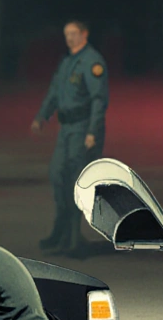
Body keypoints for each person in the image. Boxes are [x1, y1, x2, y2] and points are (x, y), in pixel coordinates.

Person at [31, 19, 109, 254]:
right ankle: (61, 230)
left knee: (76, 181)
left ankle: (74, 237)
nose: (70, 38)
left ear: (85, 34)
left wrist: (92, 132)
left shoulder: (92, 62)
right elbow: (54, 93)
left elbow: (99, 99)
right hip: (66, 129)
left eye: (74, 33)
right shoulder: (66, 62)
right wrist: (41, 117)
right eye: (67, 34)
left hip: (83, 127)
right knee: (58, 175)